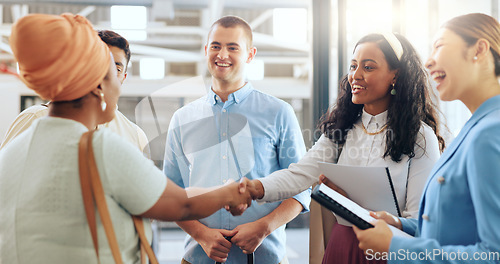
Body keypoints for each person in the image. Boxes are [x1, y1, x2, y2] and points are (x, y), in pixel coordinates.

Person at [0, 13, 251, 264]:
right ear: (98, 85)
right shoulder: (99, 148)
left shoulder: (13, 150)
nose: (118, 88)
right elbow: (179, 204)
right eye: (112, 75)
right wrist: (228, 192)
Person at [241, 32, 446, 264]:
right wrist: (253, 188)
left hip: (388, 251)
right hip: (342, 245)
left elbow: (420, 221)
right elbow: (299, 174)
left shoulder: (420, 137)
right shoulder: (343, 128)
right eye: (353, 66)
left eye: (368, 67)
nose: (355, 76)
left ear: (395, 76)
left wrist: (369, 213)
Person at [350, 13, 500, 264]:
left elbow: (494, 254)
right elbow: (453, 228)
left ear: (479, 49)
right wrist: (401, 225)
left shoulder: (490, 133)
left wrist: (396, 247)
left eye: (439, 46)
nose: (429, 62)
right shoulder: (475, 128)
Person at [164, 15, 310, 264]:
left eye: (233, 47)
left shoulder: (279, 113)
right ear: (206, 50)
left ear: (250, 54)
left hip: (264, 258)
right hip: (199, 257)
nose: (222, 54)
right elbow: (169, 194)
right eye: (215, 46)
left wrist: (263, 227)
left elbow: (301, 188)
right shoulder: (182, 118)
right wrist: (202, 235)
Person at [0, 30, 149, 157]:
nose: (106, 74)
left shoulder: (135, 136)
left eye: (116, 69)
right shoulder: (35, 119)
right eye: (100, 64)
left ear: (123, 76)